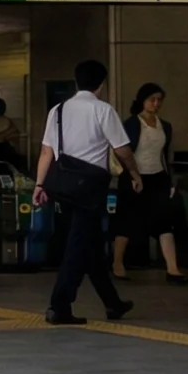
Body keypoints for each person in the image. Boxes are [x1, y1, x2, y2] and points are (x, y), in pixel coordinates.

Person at [34, 60, 142, 325]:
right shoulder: (102, 110)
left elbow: (46, 151)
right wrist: (135, 174)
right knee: (78, 246)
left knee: (90, 245)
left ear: (76, 81)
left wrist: (39, 185)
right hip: (90, 188)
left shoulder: (57, 110)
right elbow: (122, 149)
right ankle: (59, 305)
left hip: (62, 185)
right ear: (101, 85)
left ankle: (112, 303)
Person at [114, 83, 187, 285]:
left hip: (157, 176)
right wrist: (132, 174)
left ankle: (173, 269)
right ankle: (117, 263)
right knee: (127, 221)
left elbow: (166, 155)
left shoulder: (165, 125)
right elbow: (122, 151)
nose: (156, 104)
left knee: (164, 220)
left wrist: (170, 179)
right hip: (133, 176)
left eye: (159, 100)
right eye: (152, 99)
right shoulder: (131, 124)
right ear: (142, 101)